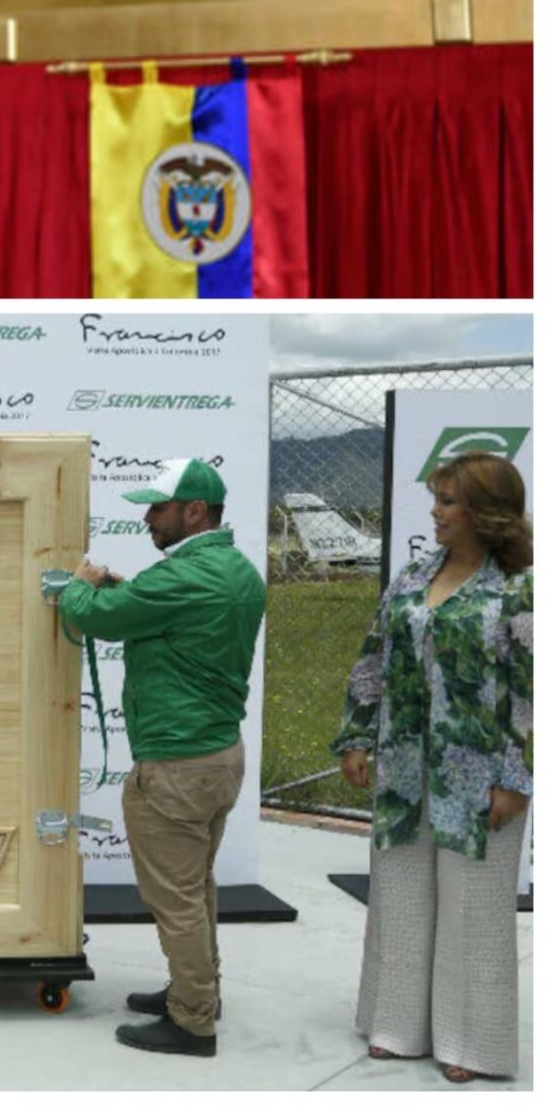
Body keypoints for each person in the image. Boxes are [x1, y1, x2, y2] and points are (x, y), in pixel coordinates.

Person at [331, 451, 532, 1085]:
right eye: (437, 499)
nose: (435, 512)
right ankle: (396, 1025)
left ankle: (470, 1043)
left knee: (473, 906)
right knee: (401, 893)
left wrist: (515, 779)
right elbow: (373, 656)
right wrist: (357, 736)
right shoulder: (413, 576)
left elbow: (533, 693)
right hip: (403, 766)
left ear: (484, 511)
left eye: (448, 501)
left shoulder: (520, 589)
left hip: (479, 778)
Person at [59, 457, 266, 1058]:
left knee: (174, 899)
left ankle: (192, 1022)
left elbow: (90, 615)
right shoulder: (234, 571)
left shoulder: (182, 577)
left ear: (194, 511)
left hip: (176, 765)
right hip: (217, 756)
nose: (148, 518)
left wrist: (80, 581)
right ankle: (196, 991)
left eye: (158, 507)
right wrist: (121, 586)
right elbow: (159, 608)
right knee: (196, 889)